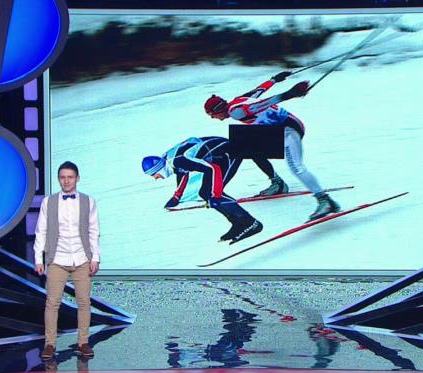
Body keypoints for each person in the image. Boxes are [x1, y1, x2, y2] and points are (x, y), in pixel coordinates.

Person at [204, 71, 340, 221]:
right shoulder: (237, 101)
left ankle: (325, 201)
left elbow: (263, 103)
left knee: (296, 168)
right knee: (244, 146)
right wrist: (274, 79)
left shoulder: (236, 112)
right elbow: (259, 90)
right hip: (282, 128)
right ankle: (277, 183)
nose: (213, 118)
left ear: (217, 110)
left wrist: (289, 94)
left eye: (212, 115)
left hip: (288, 131)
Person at [33, 161, 100, 360]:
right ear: (58, 179)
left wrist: (95, 257)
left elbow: (93, 231)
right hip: (57, 258)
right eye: (63, 177)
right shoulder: (49, 202)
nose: (66, 181)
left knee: (84, 302)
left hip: (82, 258)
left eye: (70, 177)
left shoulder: (88, 201)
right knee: (52, 303)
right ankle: (50, 344)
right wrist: (38, 259)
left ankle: (83, 342)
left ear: (77, 178)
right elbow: (41, 231)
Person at [142, 136, 262, 244]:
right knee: (204, 193)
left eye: (153, 174)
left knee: (213, 194)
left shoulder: (178, 160)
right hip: (218, 156)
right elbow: (183, 172)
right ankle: (238, 223)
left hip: (229, 153)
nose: (155, 178)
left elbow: (213, 169)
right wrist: (176, 197)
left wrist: (216, 195)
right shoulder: (168, 161)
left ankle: (251, 223)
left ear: (158, 168)